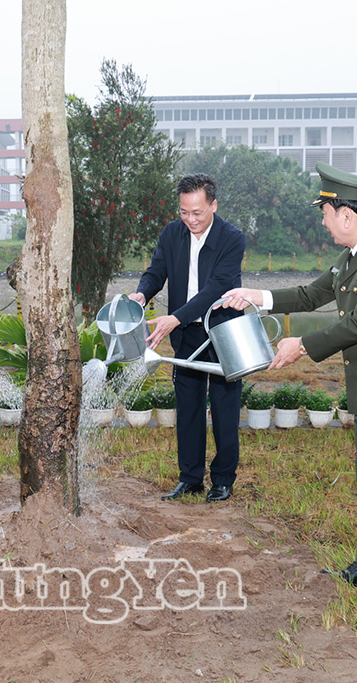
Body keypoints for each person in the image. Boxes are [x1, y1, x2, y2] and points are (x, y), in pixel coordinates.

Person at [217, 162, 357, 613]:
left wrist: (302, 345)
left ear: (346, 214)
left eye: (325, 213)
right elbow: (311, 294)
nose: (322, 222)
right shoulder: (354, 255)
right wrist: (256, 297)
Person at [130, 173, 246, 503]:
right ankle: (190, 478)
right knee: (189, 408)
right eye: (184, 212)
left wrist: (174, 318)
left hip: (223, 332)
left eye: (197, 212)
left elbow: (216, 288)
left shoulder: (232, 238)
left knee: (225, 409)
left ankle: (223, 480)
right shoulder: (172, 233)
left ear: (213, 205)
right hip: (186, 335)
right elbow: (156, 271)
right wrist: (142, 294)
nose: (190, 220)